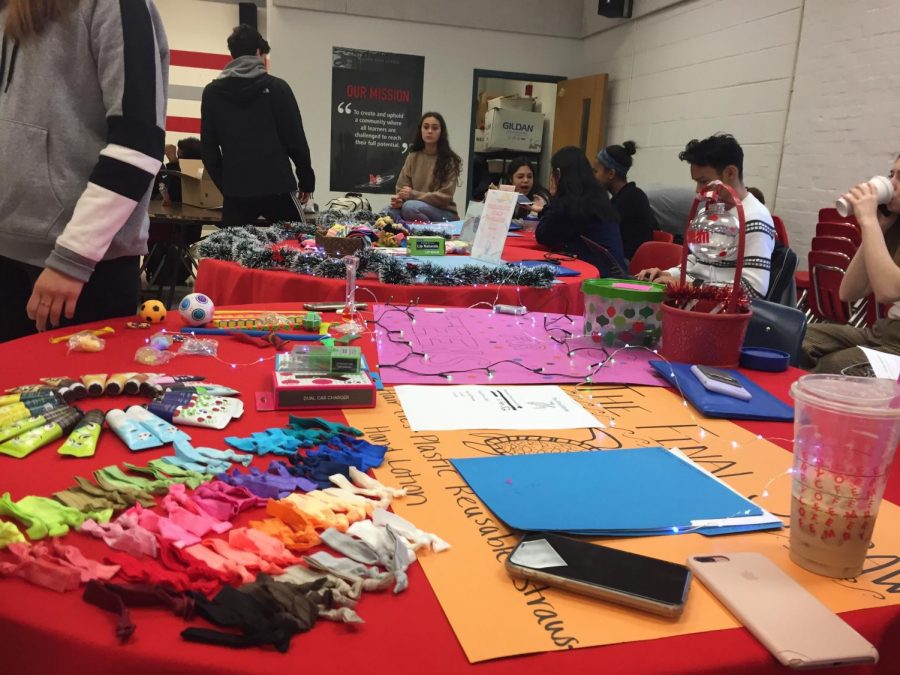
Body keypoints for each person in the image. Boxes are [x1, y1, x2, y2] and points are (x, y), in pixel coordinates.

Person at [0, 0, 168, 342]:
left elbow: (138, 144)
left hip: (79, 269)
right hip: (8, 252)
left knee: (76, 394)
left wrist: (72, 259)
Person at [201, 24, 314, 228]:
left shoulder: (212, 94)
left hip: (237, 192)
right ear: (258, 52)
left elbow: (209, 151)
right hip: (277, 186)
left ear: (232, 54)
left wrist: (227, 185)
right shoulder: (277, 88)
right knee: (297, 249)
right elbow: (295, 139)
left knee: (232, 256)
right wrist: (306, 180)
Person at [636, 134, 775, 298]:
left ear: (730, 173)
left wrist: (689, 286)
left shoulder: (754, 218)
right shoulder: (708, 212)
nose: (697, 189)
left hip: (718, 315)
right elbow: (698, 262)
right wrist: (667, 274)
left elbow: (753, 290)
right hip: (695, 300)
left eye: (703, 181)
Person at [801, 154, 900, 374]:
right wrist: (880, 227)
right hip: (884, 331)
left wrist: (868, 221)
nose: (892, 184)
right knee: (799, 338)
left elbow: (887, 291)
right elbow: (849, 291)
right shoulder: (895, 226)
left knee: (835, 368)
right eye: (891, 175)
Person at [535, 146, 626, 277]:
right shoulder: (596, 196)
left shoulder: (574, 204)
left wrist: (554, 195)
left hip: (600, 282)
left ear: (558, 174)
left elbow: (543, 235)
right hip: (615, 275)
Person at [389, 112, 462, 222]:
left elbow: (444, 198)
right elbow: (401, 189)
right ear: (421, 130)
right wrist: (399, 200)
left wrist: (413, 195)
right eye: (426, 127)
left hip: (444, 213)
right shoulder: (413, 156)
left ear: (441, 132)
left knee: (410, 207)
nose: (429, 131)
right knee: (388, 211)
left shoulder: (449, 160)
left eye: (435, 128)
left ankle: (427, 234)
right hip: (414, 206)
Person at [594, 140, 657, 259]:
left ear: (611, 174)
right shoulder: (623, 197)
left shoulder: (631, 199)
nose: (594, 177)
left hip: (630, 263)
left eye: (596, 171)